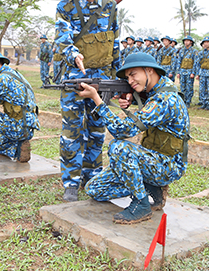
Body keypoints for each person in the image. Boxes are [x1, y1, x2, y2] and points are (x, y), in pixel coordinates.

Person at [78, 52, 190, 225]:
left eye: (133, 74)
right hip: (151, 160)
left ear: (149, 70)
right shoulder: (156, 92)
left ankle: (141, 204)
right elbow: (147, 101)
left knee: (118, 147)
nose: (130, 81)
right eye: (127, 77)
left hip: (168, 166)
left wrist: (97, 99)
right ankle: (151, 188)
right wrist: (133, 97)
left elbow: (120, 130)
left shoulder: (165, 99)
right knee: (94, 189)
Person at [55, 0, 120, 202]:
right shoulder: (66, 6)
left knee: (97, 129)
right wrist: (73, 55)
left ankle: (92, 177)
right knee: (72, 130)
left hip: (102, 78)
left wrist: (118, 78)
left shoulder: (111, 6)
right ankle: (71, 182)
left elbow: (115, 43)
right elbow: (62, 39)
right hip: (75, 76)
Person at [194, 37, 209, 110]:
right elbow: (198, 64)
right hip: (202, 73)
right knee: (202, 89)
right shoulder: (201, 53)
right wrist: (198, 74)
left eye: (208, 42)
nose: (206, 43)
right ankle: (203, 102)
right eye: (205, 42)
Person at [175, 35, 196, 107]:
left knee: (189, 87)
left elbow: (195, 63)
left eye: (187, 41)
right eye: (185, 41)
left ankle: (188, 101)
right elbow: (179, 61)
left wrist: (193, 72)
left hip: (189, 72)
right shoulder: (181, 51)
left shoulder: (194, 51)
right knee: (182, 87)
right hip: (182, 71)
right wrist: (178, 72)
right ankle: (183, 100)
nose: (186, 42)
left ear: (191, 42)